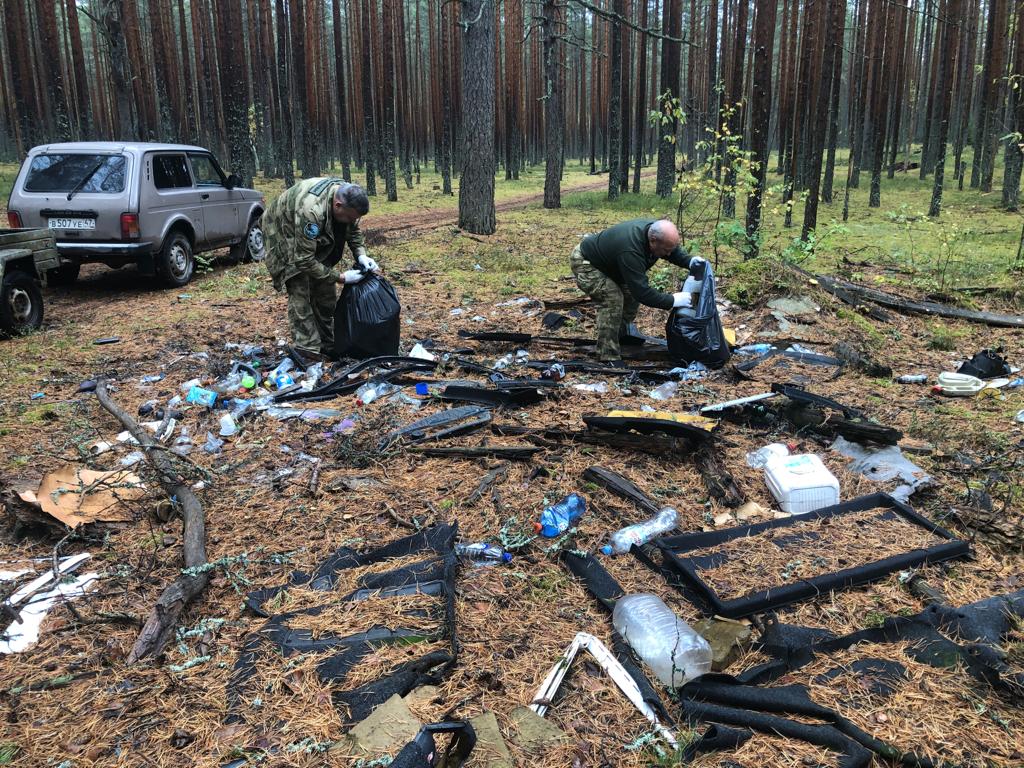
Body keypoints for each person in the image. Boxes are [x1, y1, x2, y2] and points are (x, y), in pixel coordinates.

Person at [263, 178, 379, 364]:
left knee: (325, 295)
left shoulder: (348, 199)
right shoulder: (311, 210)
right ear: (338, 205)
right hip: (284, 234)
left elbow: (353, 230)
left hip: (311, 238)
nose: (352, 221)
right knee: (300, 291)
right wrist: (340, 277)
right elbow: (303, 259)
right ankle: (308, 351)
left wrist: (361, 255)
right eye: (349, 217)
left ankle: (328, 344)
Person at [569, 218, 704, 362]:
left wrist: (689, 261)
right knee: (612, 299)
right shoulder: (631, 250)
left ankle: (618, 336)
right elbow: (643, 293)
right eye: (666, 250)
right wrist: (674, 300)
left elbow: (671, 250)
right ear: (653, 240)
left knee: (630, 299)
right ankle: (607, 355)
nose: (669, 254)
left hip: (613, 264)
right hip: (587, 262)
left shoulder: (656, 233)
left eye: (671, 249)